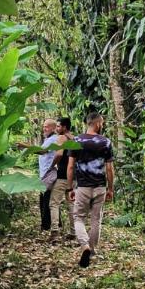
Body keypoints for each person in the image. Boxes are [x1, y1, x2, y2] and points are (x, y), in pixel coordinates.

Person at [67, 111, 114, 268]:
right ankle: (92, 250)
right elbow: (109, 168)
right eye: (102, 122)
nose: (103, 125)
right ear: (97, 123)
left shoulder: (76, 140)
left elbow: (71, 166)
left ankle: (84, 245)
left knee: (78, 217)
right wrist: (111, 188)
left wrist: (70, 188)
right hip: (100, 186)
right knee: (96, 219)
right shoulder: (106, 142)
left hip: (83, 187)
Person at [49, 117, 76, 241]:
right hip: (73, 177)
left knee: (54, 203)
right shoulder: (74, 138)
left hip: (62, 175)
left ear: (65, 127)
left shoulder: (62, 138)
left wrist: (52, 165)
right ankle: (73, 232)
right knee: (71, 204)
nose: (56, 129)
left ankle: (54, 232)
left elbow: (59, 154)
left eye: (59, 126)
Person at [38, 118, 59, 231]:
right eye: (44, 126)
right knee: (47, 199)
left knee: (46, 200)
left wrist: (26, 147)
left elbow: (42, 151)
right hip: (45, 174)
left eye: (46, 126)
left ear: (53, 128)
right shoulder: (48, 139)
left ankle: (46, 225)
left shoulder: (53, 139)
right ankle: (53, 223)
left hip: (49, 174)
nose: (44, 128)